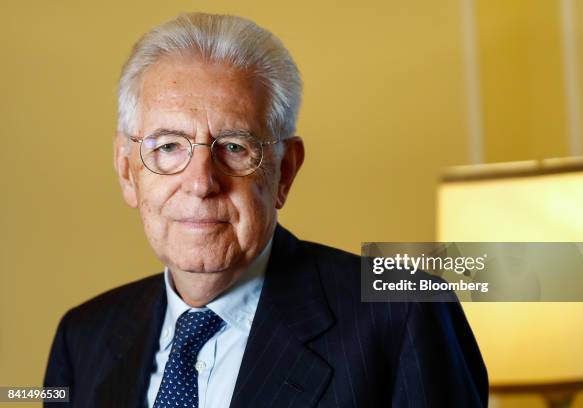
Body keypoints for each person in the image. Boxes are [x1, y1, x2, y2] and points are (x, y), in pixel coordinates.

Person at [44, 13, 488, 407]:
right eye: (169, 146)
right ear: (127, 171)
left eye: (235, 147)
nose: (201, 183)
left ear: (285, 171)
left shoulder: (403, 313)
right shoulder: (82, 338)